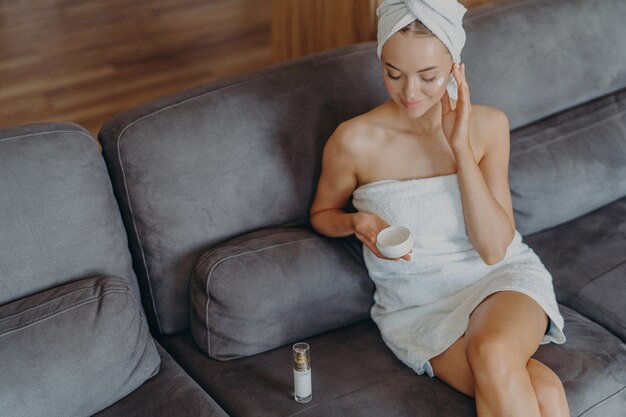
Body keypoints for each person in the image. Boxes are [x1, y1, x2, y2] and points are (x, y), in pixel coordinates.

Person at [308, 0, 570, 416]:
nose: (409, 93)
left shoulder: (489, 127)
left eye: (428, 77)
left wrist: (460, 150)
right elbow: (322, 215)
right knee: (545, 394)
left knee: (494, 349)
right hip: (416, 308)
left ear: (454, 68)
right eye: (393, 74)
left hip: (499, 281)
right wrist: (355, 221)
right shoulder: (353, 141)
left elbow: (492, 250)